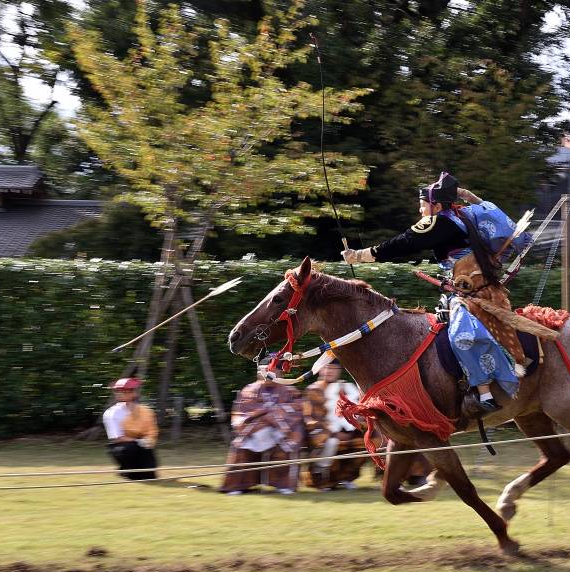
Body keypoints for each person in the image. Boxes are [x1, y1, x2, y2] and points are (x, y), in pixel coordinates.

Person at [341, 171, 531, 413]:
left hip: (470, 293)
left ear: (437, 206)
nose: (420, 211)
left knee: (461, 335)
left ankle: (484, 393)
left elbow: (403, 242)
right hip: (475, 289)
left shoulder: (441, 222)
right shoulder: (464, 213)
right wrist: (470, 196)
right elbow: (493, 214)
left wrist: (358, 256)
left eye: (423, 206)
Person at [221, 357, 305, 495]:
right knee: (240, 446)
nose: (269, 373)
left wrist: (274, 417)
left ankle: (284, 485)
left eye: (274, 370)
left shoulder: (290, 391)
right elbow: (242, 414)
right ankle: (237, 486)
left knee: (289, 445)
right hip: (254, 431)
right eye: (266, 370)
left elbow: (296, 410)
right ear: (259, 371)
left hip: (280, 432)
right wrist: (267, 415)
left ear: (281, 373)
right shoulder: (249, 389)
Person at [303, 358, 369, 490]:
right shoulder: (314, 390)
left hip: (347, 432)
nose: (329, 371)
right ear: (320, 369)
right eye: (326, 368)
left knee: (369, 440)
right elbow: (311, 418)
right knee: (330, 442)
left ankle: (346, 477)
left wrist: (357, 427)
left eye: (333, 369)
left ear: (339, 371)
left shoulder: (346, 388)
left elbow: (356, 411)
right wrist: (332, 432)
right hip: (322, 433)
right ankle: (322, 480)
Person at [102, 377, 159, 480]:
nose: (120, 393)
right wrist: (138, 441)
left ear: (133, 393)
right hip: (121, 446)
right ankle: (125, 470)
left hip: (141, 444)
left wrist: (148, 440)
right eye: (118, 391)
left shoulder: (143, 411)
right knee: (130, 450)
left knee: (149, 475)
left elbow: (150, 430)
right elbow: (117, 438)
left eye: (126, 391)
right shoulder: (111, 413)